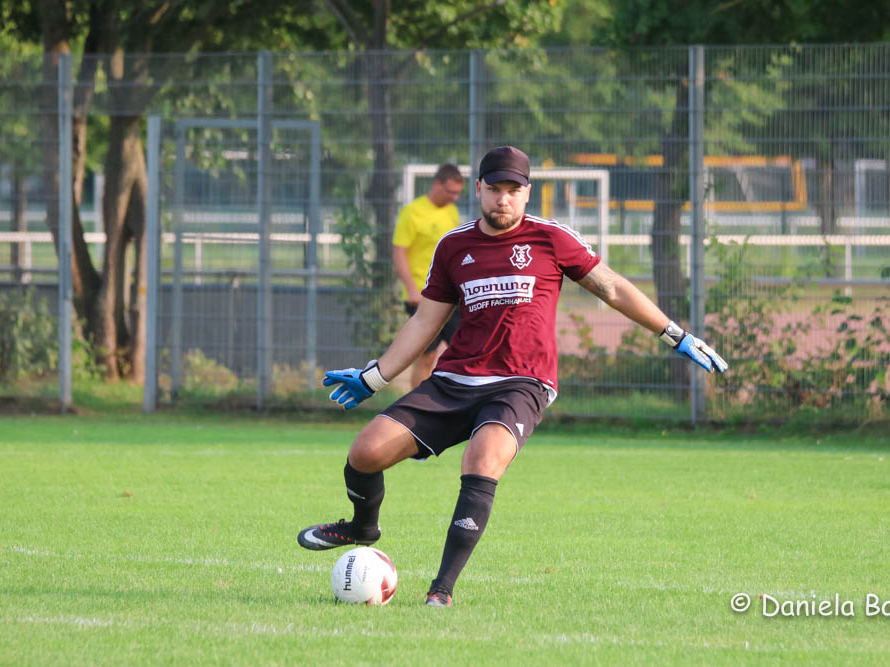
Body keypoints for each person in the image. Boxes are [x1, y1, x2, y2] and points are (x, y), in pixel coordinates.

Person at [298, 146, 727, 607]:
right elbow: (425, 322)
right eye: (495, 188)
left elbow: (613, 287)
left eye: (513, 190)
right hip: (454, 380)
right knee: (365, 453)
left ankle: (440, 591)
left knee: (482, 460)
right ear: (478, 190)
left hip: (522, 383)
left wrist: (675, 335)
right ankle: (362, 527)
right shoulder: (454, 246)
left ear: (526, 193)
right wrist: (374, 378)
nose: (503, 198)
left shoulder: (550, 238)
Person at [392, 164, 465, 388]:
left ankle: (462, 403)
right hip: (423, 297)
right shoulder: (412, 212)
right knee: (426, 357)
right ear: (436, 184)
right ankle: (418, 407)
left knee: (465, 354)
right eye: (450, 192)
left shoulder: (451, 211)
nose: (454, 197)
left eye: (457, 193)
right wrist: (411, 289)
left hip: (451, 296)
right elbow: (399, 253)